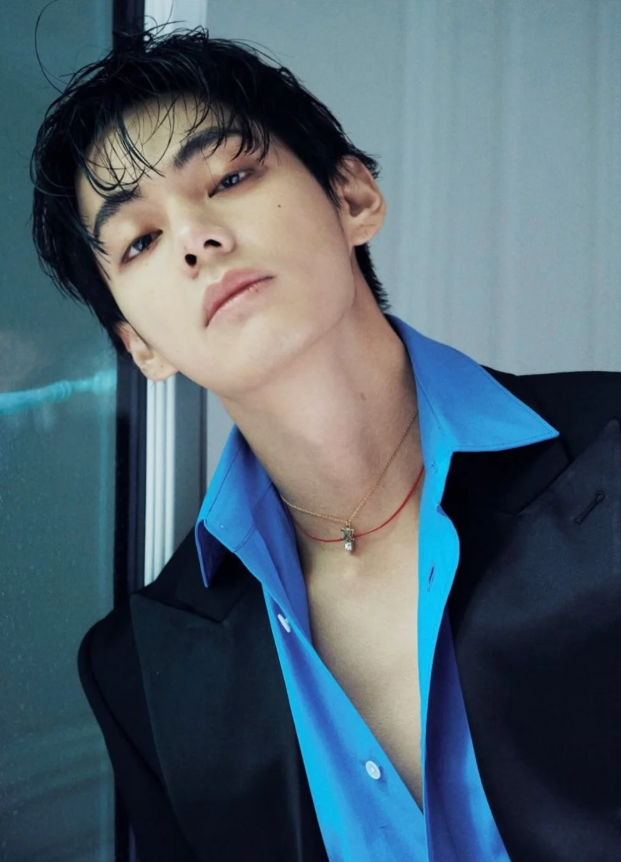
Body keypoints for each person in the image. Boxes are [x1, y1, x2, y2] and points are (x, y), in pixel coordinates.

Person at [31, 27, 621, 862]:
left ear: (352, 197)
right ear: (141, 347)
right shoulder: (139, 670)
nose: (195, 238)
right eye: (140, 240)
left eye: (229, 177)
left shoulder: (609, 447)